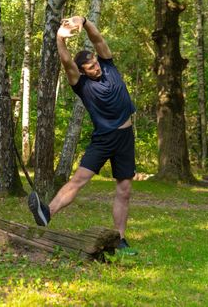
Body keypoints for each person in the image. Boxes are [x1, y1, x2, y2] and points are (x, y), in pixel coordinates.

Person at [28, 16, 137, 254]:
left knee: (125, 189)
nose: (96, 67)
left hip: (126, 137)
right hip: (104, 139)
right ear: (82, 72)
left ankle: (119, 239)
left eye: (96, 64)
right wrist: (60, 38)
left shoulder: (108, 65)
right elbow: (66, 61)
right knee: (78, 180)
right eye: (91, 67)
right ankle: (47, 212)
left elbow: (98, 40)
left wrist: (84, 21)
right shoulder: (82, 84)